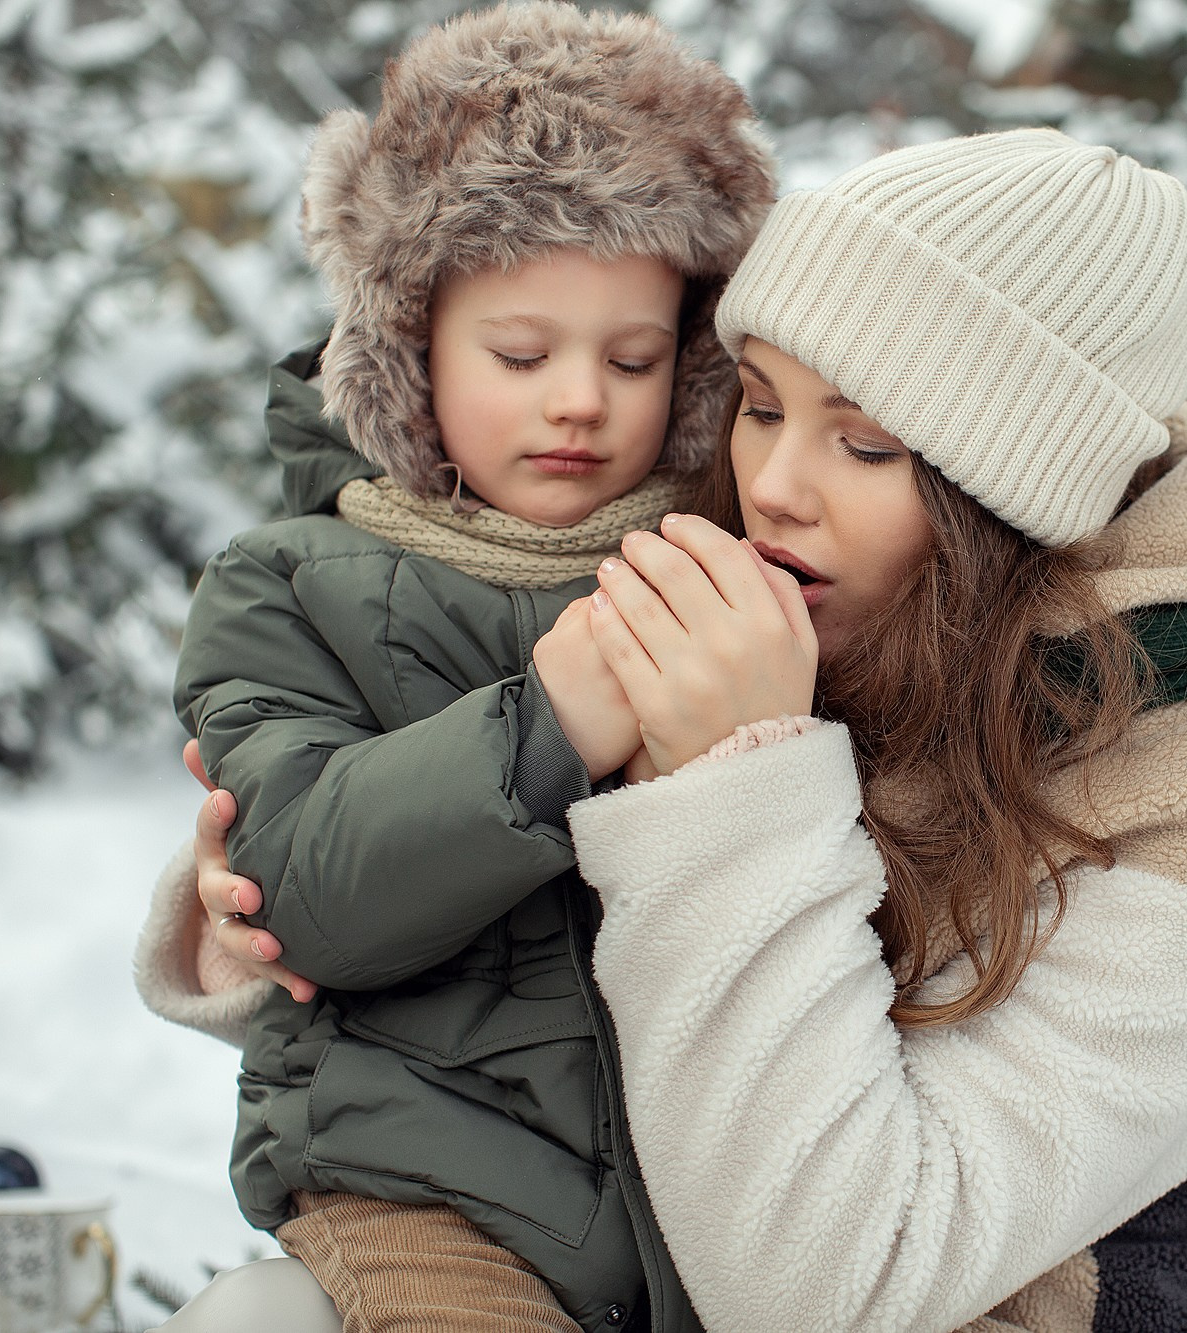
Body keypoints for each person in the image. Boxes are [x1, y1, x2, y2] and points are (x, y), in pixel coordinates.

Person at [142, 128, 1187, 1332]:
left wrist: (734, 780)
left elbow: (823, 1283)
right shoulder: (852, 617)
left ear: (1016, 494)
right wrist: (271, 894)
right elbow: (562, 956)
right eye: (762, 407)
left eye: (865, 442)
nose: (772, 481)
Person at [150, 6, 776, 1330]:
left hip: (709, 1215)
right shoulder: (290, 583)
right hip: (422, 1184)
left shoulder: (736, 571)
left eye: (634, 358)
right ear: (408, 341)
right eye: (519, 353)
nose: (578, 402)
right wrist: (555, 723)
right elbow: (303, 889)